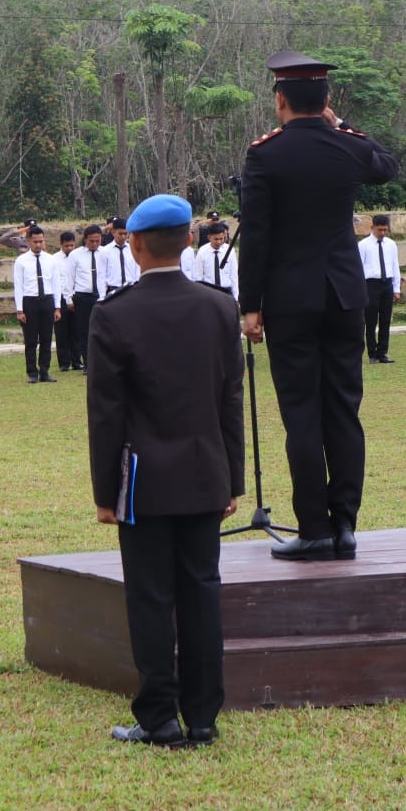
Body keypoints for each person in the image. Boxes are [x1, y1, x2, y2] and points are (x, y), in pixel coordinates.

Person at [88, 193, 244, 749]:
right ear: (188, 241)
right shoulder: (220, 307)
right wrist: (233, 481)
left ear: (133, 245)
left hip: (142, 481)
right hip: (205, 475)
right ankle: (202, 716)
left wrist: (106, 493)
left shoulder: (113, 314)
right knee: (202, 591)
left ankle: (159, 718)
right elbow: (230, 401)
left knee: (151, 596)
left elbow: (107, 415)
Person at [238, 50, 400, 562]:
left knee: (302, 415)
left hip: (289, 300)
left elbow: (257, 237)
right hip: (344, 296)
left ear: (280, 100)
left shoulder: (265, 156)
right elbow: (387, 166)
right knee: (344, 412)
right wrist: (344, 125)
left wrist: (250, 305)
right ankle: (346, 525)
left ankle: (315, 530)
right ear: (326, 101)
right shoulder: (346, 147)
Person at [12, 226, 62, 383]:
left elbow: (56, 284)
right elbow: (18, 286)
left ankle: (45, 371)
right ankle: (32, 373)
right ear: (28, 241)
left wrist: (57, 307)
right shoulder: (21, 261)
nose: (39, 245)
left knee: (47, 338)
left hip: (47, 300)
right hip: (30, 301)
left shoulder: (51, 259)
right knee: (31, 340)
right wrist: (20, 310)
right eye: (35, 242)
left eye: (41, 241)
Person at [357, 215, 402, 364]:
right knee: (370, 321)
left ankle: (382, 352)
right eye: (379, 230)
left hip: (386, 283)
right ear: (372, 228)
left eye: (385, 230)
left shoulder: (391, 244)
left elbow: (394, 265)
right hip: (370, 284)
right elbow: (359, 268)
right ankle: (372, 353)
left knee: (385, 320)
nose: (382, 233)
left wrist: (396, 288)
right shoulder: (363, 245)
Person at [64, 226, 107, 371]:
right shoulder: (75, 255)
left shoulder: (105, 253)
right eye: (91, 241)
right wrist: (69, 298)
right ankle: (88, 364)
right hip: (83, 296)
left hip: (101, 296)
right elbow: (69, 277)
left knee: (103, 331)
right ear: (85, 239)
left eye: (97, 241)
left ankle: (102, 361)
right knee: (84, 331)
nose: (94, 244)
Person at [51, 232, 80, 371]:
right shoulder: (54, 259)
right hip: (60, 297)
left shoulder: (78, 257)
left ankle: (77, 360)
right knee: (61, 332)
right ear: (61, 244)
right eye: (67, 245)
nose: (70, 248)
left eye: (72, 245)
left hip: (76, 296)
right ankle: (64, 362)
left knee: (76, 330)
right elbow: (56, 281)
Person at [193, 221, 239, 301]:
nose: (219, 242)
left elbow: (234, 275)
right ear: (209, 237)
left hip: (226, 291)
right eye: (216, 239)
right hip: (210, 292)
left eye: (221, 239)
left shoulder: (229, 250)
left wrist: (236, 297)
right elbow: (198, 276)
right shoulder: (202, 251)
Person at [102, 217, 141, 296]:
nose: (123, 237)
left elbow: (137, 271)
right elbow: (102, 275)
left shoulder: (133, 249)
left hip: (131, 289)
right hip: (113, 290)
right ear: (113, 232)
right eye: (120, 234)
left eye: (125, 234)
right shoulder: (105, 251)